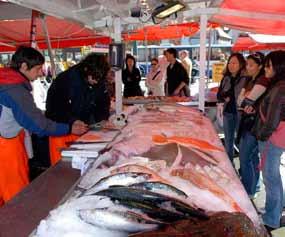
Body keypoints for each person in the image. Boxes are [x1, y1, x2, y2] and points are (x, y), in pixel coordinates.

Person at [0, 46, 88, 204]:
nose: (41, 73)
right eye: (38, 68)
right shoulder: (15, 90)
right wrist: (68, 128)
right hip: (6, 151)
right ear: (24, 66)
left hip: (7, 144)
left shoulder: (5, 81)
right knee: (17, 201)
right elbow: (39, 125)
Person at [46, 53, 111, 165]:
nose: (96, 82)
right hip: (61, 131)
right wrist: (72, 122)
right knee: (63, 168)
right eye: (94, 78)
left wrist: (103, 118)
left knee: (82, 168)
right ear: (86, 69)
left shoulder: (98, 79)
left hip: (82, 131)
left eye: (99, 79)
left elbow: (103, 101)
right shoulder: (65, 80)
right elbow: (53, 109)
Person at [251, 50, 285, 231]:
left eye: (269, 65)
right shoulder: (277, 84)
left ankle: (272, 218)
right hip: (274, 137)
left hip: (273, 138)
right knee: (273, 176)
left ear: (278, 67)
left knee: (270, 177)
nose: (266, 68)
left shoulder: (280, 87)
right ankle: (276, 208)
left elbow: (272, 120)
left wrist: (262, 136)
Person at [238, 52, 265, 198]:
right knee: (252, 158)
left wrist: (244, 100)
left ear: (260, 66)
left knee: (245, 157)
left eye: (251, 65)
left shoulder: (261, 82)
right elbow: (240, 100)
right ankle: (254, 186)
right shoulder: (250, 80)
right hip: (248, 123)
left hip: (253, 125)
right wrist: (243, 99)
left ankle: (249, 190)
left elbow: (243, 102)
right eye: (247, 64)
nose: (248, 68)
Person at [216, 53, 247, 163]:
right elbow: (219, 95)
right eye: (229, 62)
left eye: (234, 63)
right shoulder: (226, 78)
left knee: (240, 142)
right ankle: (229, 166)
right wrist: (224, 97)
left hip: (241, 115)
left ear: (241, 64)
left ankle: (243, 166)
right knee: (228, 141)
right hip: (228, 113)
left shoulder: (246, 78)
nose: (231, 65)